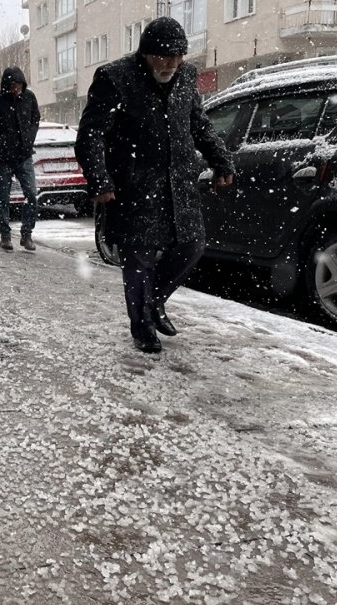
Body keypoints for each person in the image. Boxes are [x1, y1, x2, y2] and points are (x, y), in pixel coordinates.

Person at [75, 17, 235, 354]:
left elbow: (198, 124)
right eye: (164, 57)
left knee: (191, 245)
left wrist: (221, 160)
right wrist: (100, 179)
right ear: (146, 53)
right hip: (134, 184)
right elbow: (90, 134)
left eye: (178, 57)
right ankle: (142, 325)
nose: (172, 64)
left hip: (179, 182)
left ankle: (154, 301)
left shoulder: (187, 77)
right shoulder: (115, 78)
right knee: (140, 258)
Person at [0, 66, 41, 251]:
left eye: (19, 85)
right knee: (3, 197)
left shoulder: (29, 98)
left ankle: (27, 234)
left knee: (31, 195)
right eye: (13, 85)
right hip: (2, 157)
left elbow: (36, 119)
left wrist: (30, 138)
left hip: (24, 156)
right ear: (6, 85)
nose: (16, 89)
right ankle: (5, 235)